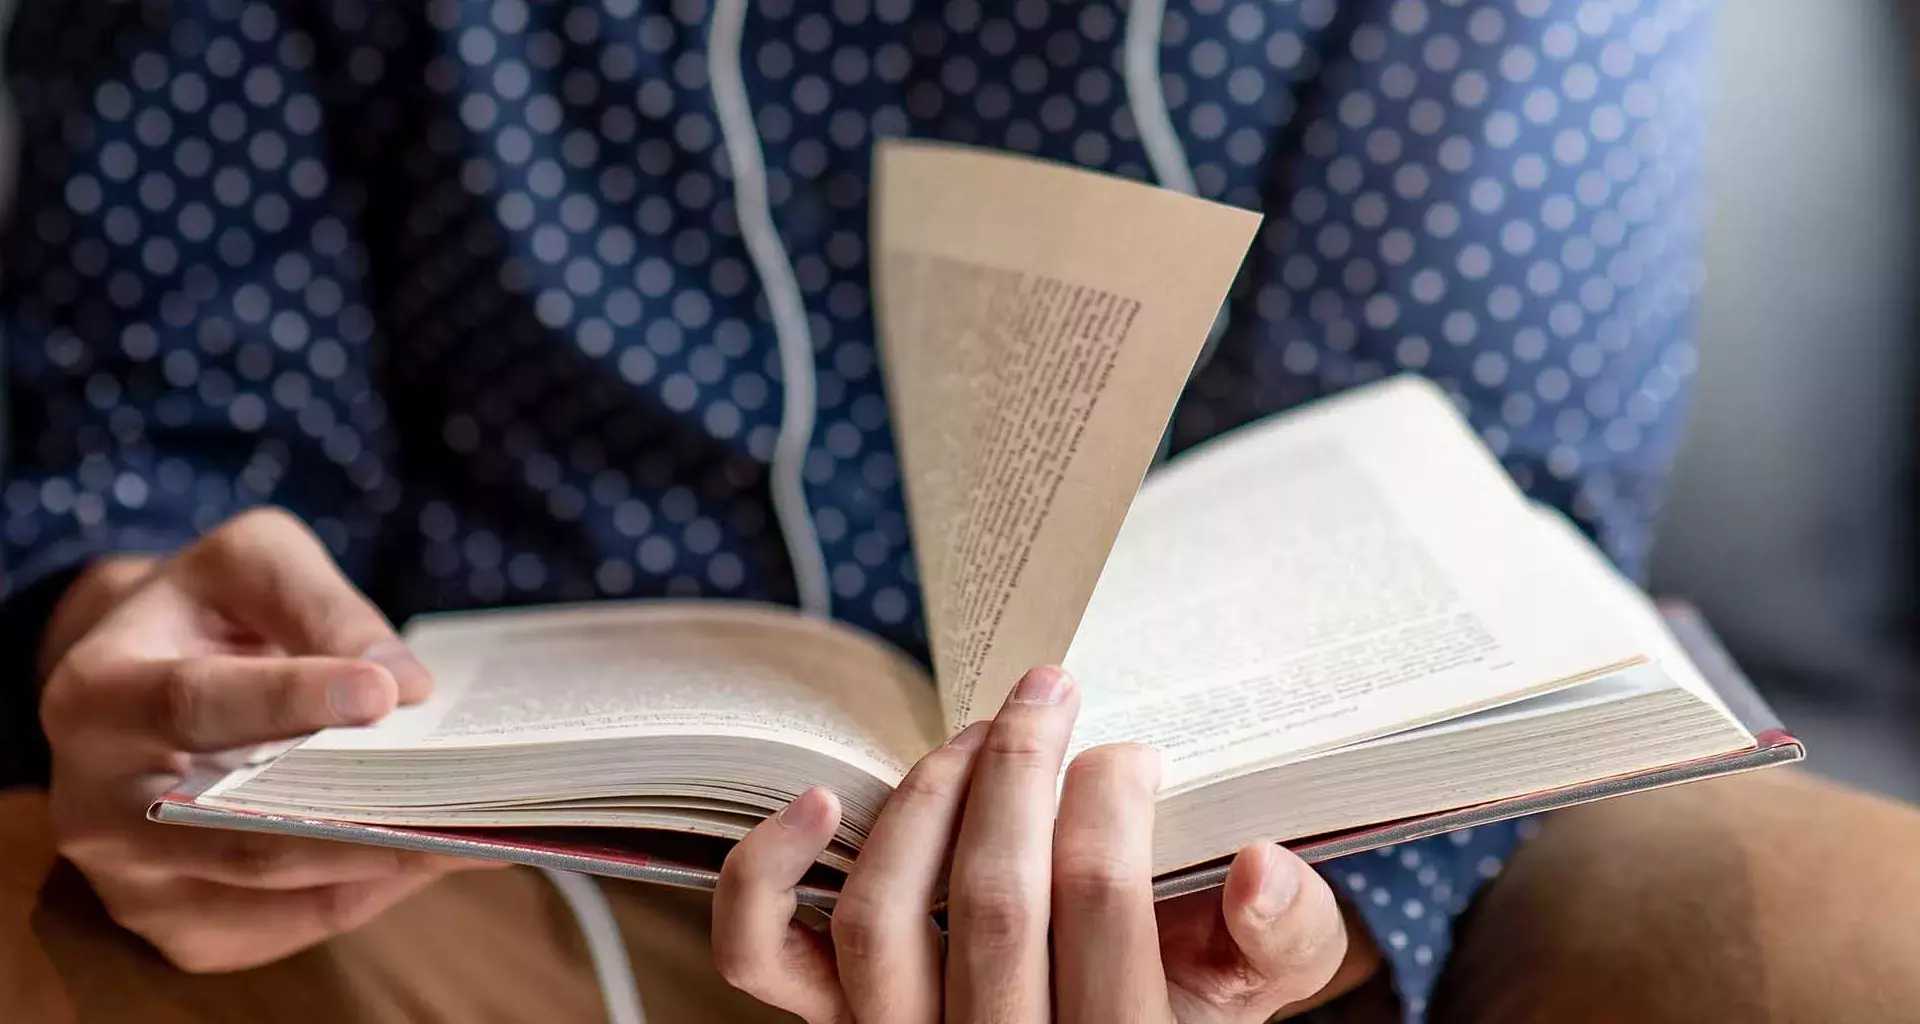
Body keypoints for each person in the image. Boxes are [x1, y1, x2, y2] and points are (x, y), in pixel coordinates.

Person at [2, 1, 1918, 1022]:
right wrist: (140, 644)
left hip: (1356, 897)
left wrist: (1305, 929)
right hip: (504, 856)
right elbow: (181, 430)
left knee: (1857, 963)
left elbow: (1481, 496)